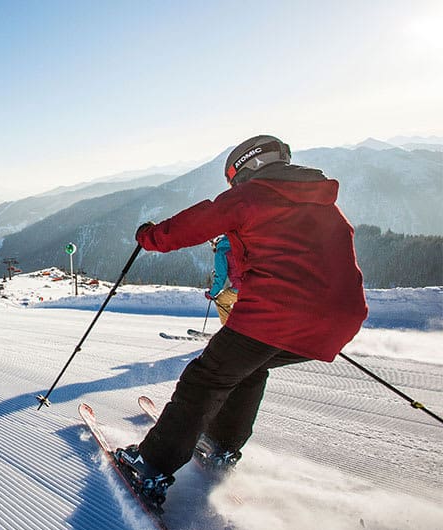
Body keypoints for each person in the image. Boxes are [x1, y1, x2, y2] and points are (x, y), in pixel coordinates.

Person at [116, 135, 368, 505]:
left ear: (246, 169)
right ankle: (220, 445)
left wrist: (149, 237)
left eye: (234, 179)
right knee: (249, 367)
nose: (234, 186)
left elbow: (193, 224)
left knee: (206, 378)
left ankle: (150, 464)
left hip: (275, 314)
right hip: (339, 321)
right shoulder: (326, 205)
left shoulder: (251, 197)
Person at [206, 234, 241, 325]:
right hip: (255, 284)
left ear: (214, 241)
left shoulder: (221, 251)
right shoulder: (239, 244)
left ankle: (229, 332)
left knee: (221, 301)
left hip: (241, 288)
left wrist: (212, 293)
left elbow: (221, 277)